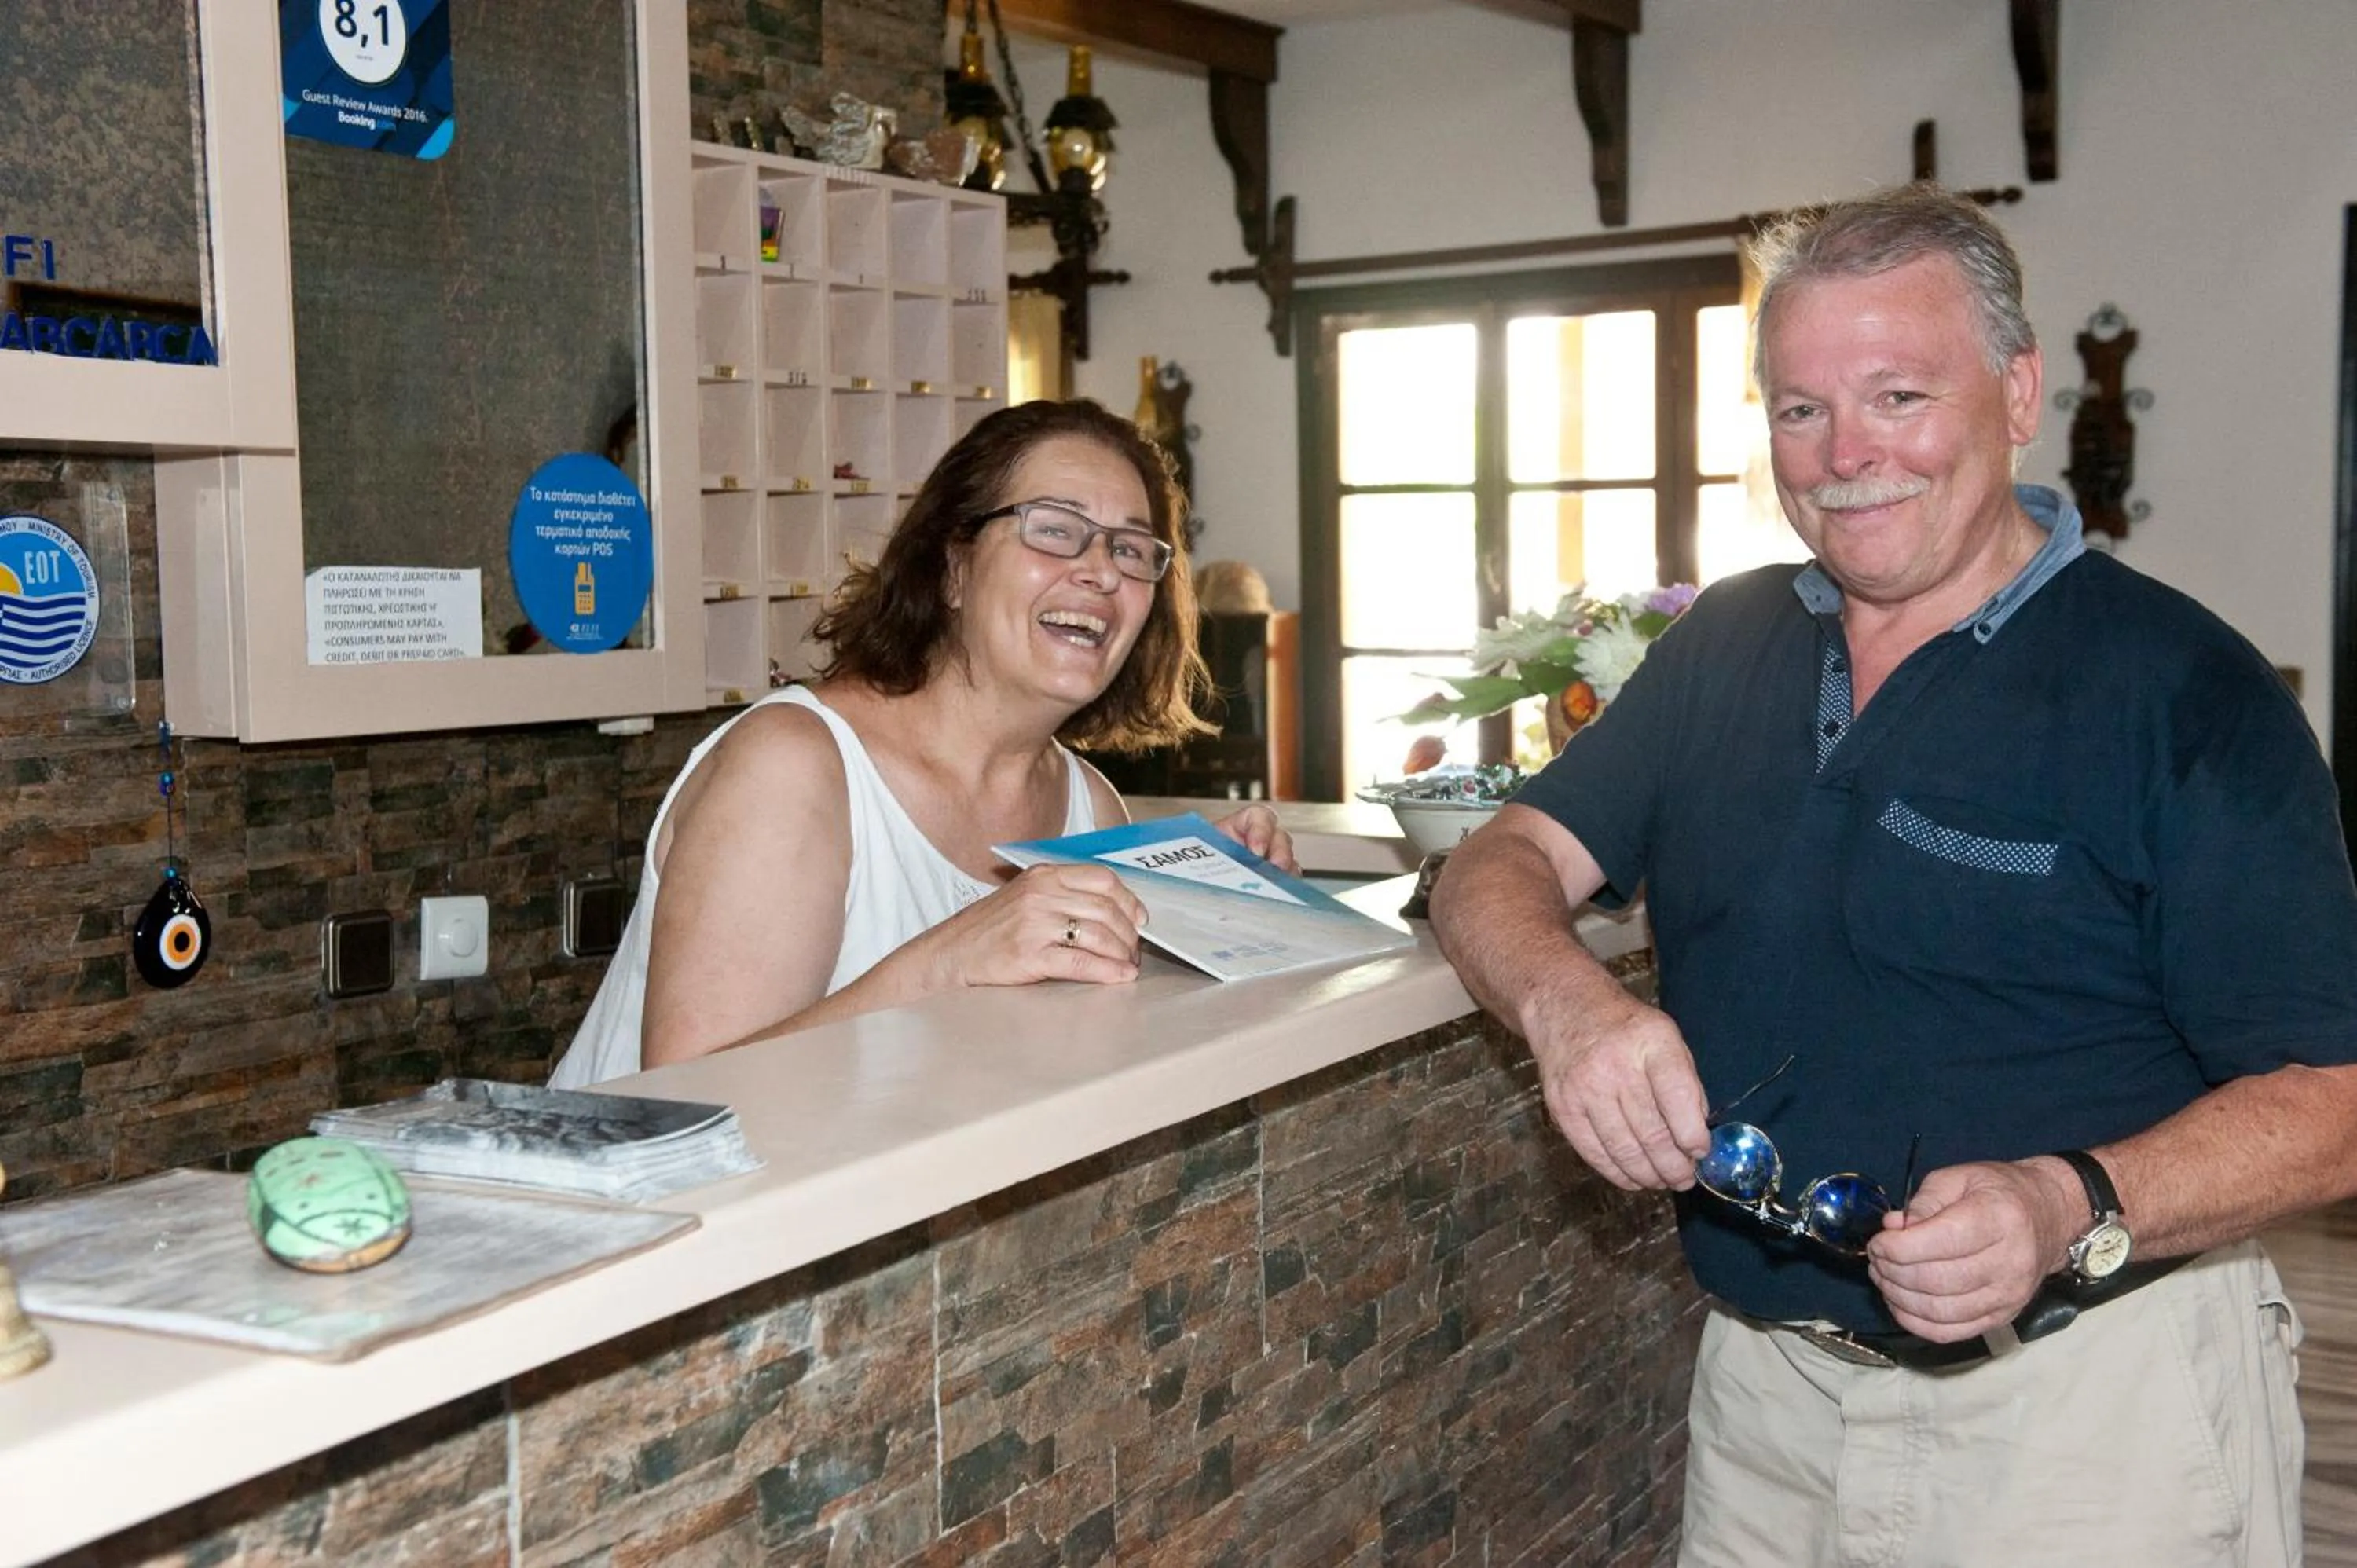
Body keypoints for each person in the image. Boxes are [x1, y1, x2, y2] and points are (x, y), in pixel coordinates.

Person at [1429, 182, 2357, 1566]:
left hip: (2092, 1418)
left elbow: (2332, 1098)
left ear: (2019, 388)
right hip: (1765, 1400)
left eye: (1898, 395)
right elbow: (1494, 862)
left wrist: (2068, 1204)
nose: (1844, 453)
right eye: (1800, 409)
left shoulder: (2186, 691)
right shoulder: (1726, 639)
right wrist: (1570, 1005)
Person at [552, 399, 1293, 1088]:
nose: (1102, 571)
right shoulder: (794, 766)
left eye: (1132, 550)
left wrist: (1201, 911)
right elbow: (688, 1096)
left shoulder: (1089, 805)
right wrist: (952, 959)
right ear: (953, 567)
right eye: (1055, 530)